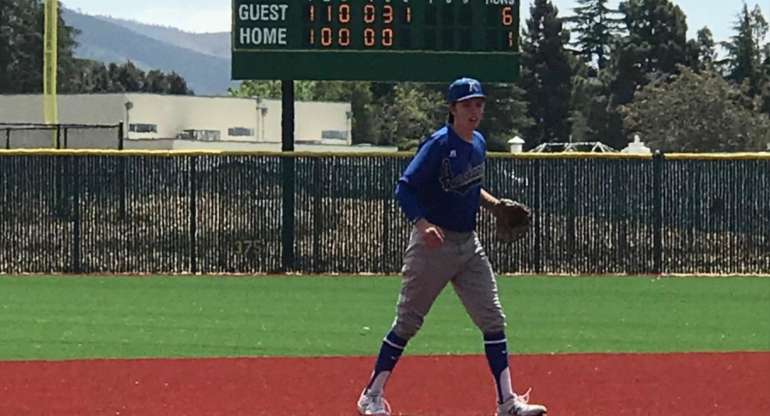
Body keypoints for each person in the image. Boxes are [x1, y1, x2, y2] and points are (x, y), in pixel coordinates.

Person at [355, 78, 548, 416]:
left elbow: (471, 187)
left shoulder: (478, 143)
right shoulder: (438, 144)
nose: (475, 110)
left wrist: (494, 206)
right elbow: (404, 188)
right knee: (407, 323)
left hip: (468, 245)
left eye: (479, 103)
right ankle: (371, 394)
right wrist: (422, 224)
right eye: (467, 104)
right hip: (433, 244)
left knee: (493, 319)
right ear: (452, 108)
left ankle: (507, 402)